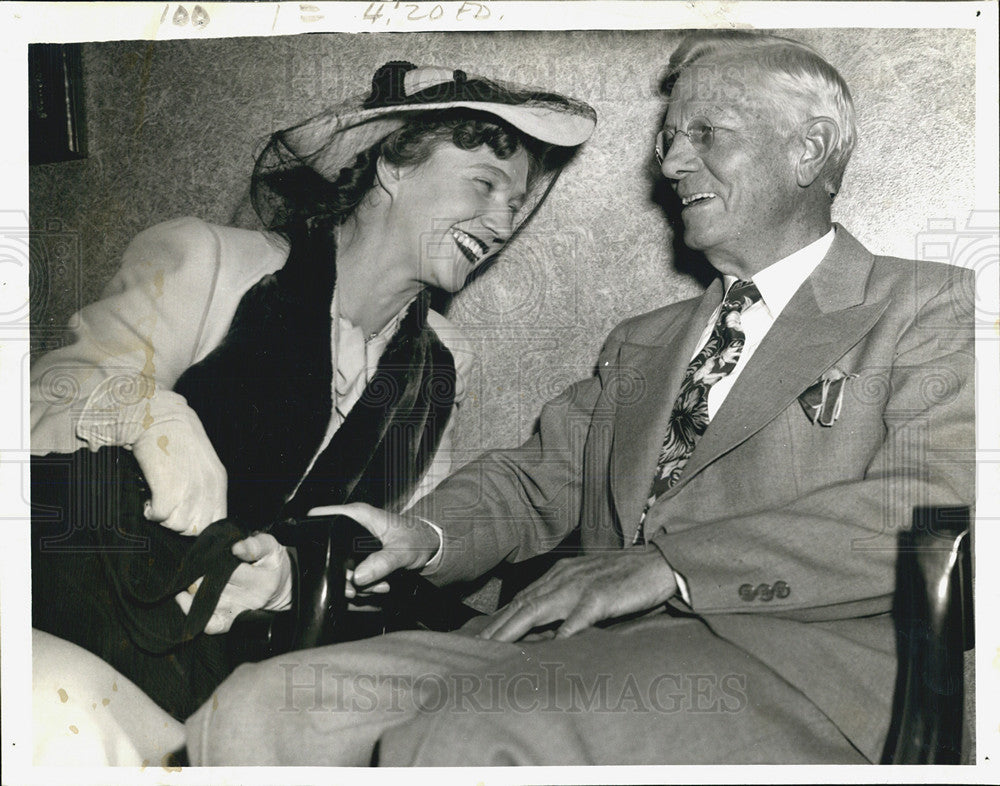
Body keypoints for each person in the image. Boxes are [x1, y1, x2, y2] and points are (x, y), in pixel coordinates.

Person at [181, 30, 975, 766]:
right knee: (260, 708)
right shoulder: (643, 340)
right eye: (670, 137)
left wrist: (671, 566)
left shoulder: (935, 308)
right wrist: (421, 533)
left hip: (793, 673)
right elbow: (539, 478)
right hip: (575, 649)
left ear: (806, 152)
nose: (670, 163)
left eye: (707, 134)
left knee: (470, 735)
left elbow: (939, 502)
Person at [29, 61, 597, 724]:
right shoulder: (208, 257)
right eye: (485, 184)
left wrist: (291, 578)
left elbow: (390, 547)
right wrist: (148, 412)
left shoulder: (443, 360)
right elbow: (35, 407)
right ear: (392, 164)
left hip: (266, 668)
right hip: (103, 624)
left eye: (515, 205)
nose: (501, 222)